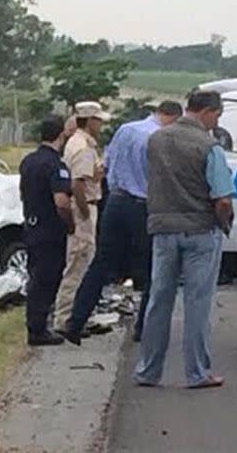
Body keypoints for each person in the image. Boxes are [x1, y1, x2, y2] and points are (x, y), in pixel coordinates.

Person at [58, 101, 183, 345]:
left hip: (115, 202)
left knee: (101, 263)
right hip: (142, 205)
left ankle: (75, 321)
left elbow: (106, 165)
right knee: (151, 268)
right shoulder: (160, 138)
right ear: (173, 117)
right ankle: (143, 327)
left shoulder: (126, 129)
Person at [134, 90, 235, 389]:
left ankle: (148, 370)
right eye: (217, 115)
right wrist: (223, 222)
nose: (216, 121)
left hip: (163, 229)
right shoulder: (208, 146)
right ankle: (197, 372)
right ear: (207, 111)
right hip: (200, 230)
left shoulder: (156, 139)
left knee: (159, 301)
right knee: (197, 304)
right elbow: (222, 198)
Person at [53, 102, 109, 332]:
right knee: (79, 262)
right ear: (90, 120)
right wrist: (85, 213)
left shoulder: (78, 143)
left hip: (85, 205)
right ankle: (66, 317)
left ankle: (76, 313)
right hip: (84, 206)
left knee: (81, 261)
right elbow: (77, 183)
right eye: (99, 120)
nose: (101, 125)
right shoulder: (83, 147)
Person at [19, 115, 75, 346]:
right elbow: (61, 201)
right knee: (48, 278)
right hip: (50, 229)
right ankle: (38, 329)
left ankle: (36, 324)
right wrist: (70, 223)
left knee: (36, 277)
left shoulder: (28, 161)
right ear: (61, 134)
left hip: (31, 225)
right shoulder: (56, 165)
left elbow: (23, 193)